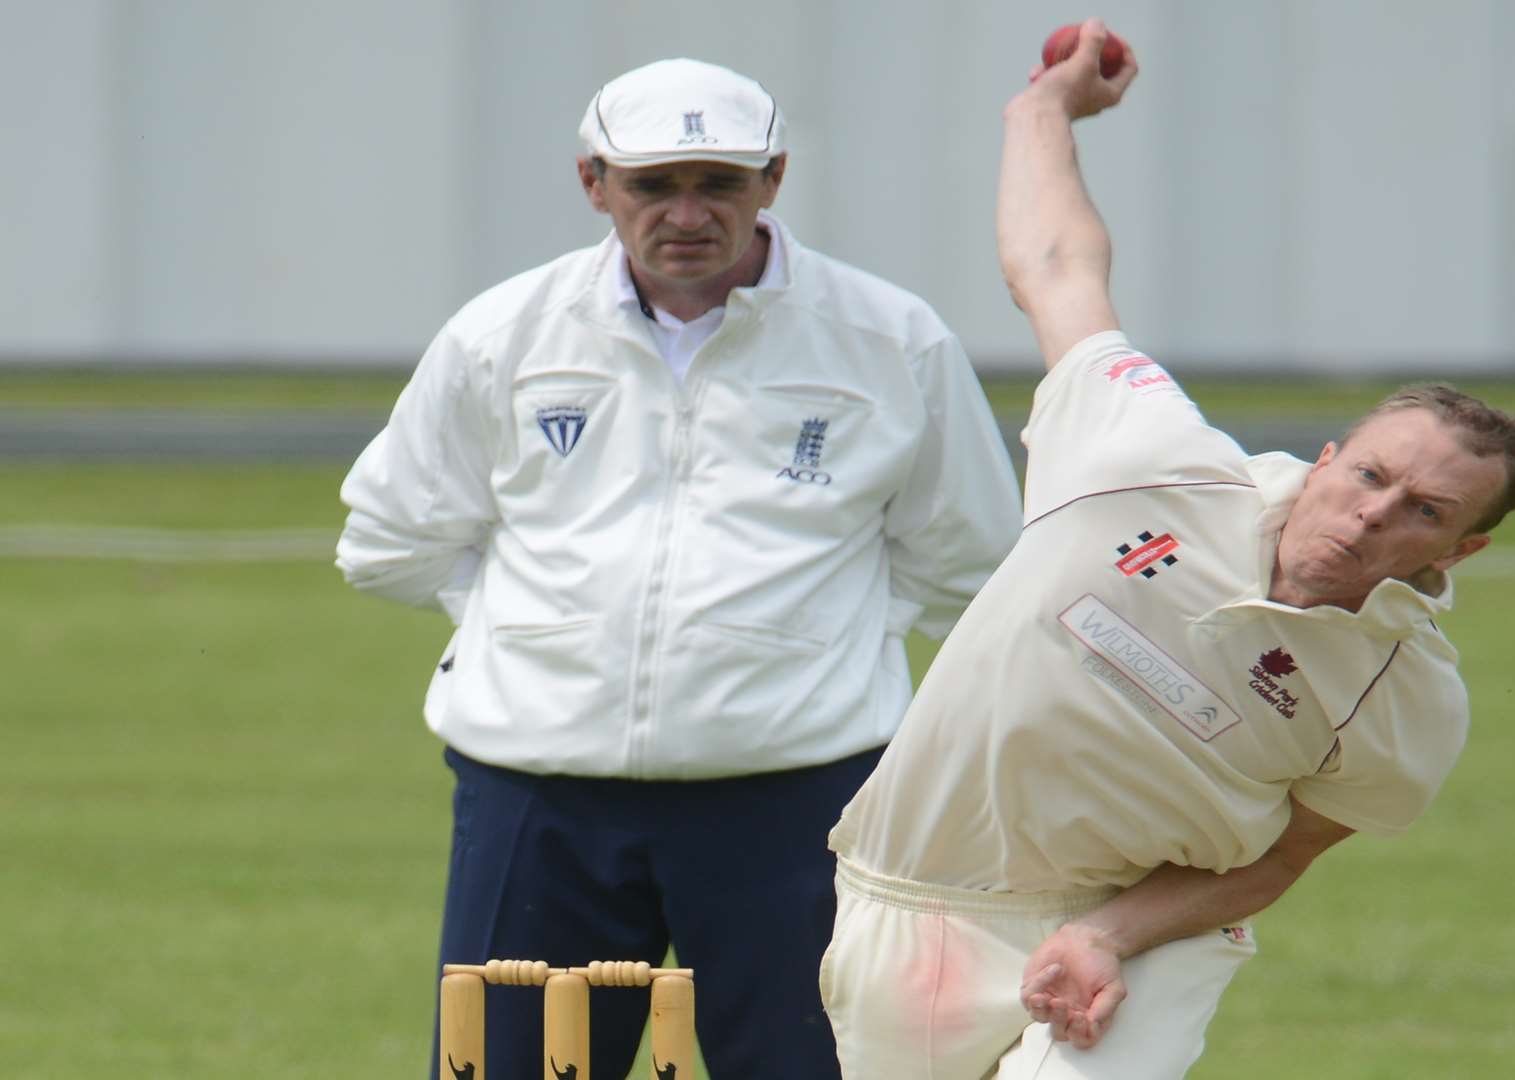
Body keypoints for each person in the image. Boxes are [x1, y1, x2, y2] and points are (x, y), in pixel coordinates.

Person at [818, 20, 1515, 1079]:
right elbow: (1058, 268)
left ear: (1461, 549)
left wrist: (1110, 934)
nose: (1374, 515)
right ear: (1331, 456)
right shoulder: (1146, 459)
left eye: (1423, 513)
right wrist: (1044, 111)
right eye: (1370, 476)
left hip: (1144, 926)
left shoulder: (1405, 699)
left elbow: (1283, 858)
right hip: (911, 896)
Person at [335, 57, 1022, 1080]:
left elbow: (971, 561)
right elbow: (388, 539)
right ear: (595, 184)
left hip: (799, 800)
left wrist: (823, 644)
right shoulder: (502, 335)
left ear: (773, 180)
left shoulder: (890, 341)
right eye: (655, 186)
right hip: (539, 797)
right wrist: (537, 632)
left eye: (720, 184)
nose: (688, 214)